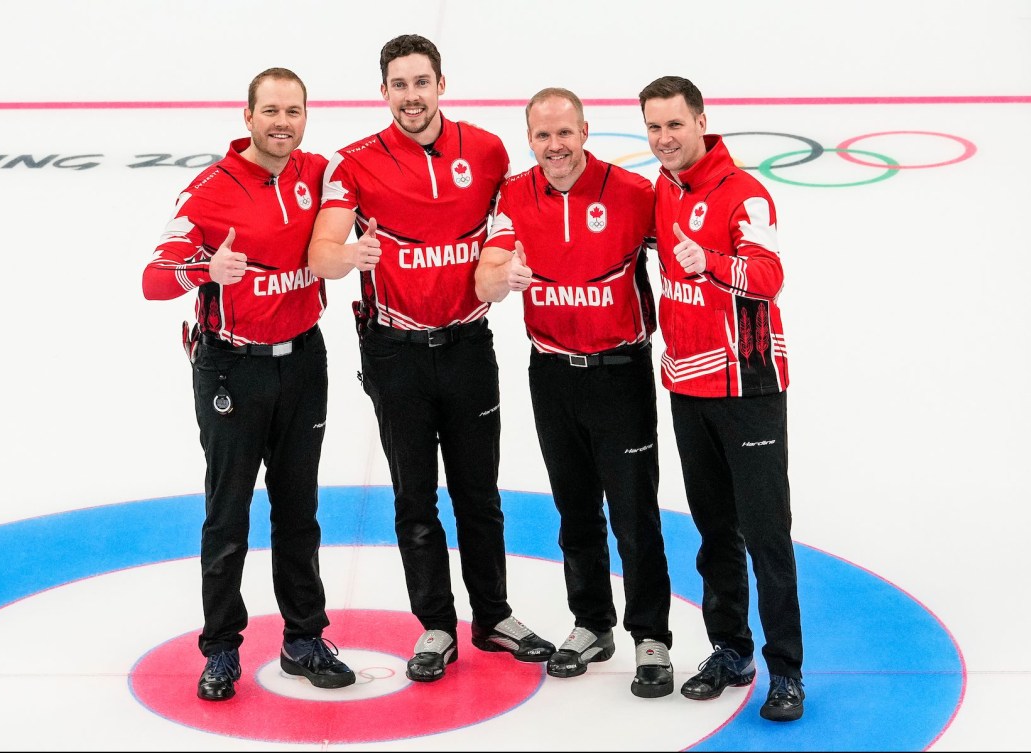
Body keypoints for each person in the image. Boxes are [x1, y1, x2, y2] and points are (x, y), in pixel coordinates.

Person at [308, 33, 554, 682]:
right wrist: (348, 259)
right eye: (398, 84)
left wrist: (507, 273)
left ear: (440, 85)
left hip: (469, 346)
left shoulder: (487, 149)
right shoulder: (354, 163)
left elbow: (505, 234)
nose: (410, 96)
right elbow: (320, 252)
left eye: (421, 82)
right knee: (414, 498)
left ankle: (494, 616)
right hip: (396, 354)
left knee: (480, 493)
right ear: (383, 91)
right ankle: (436, 626)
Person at [142, 67, 355, 701]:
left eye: (294, 111)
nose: (282, 123)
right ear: (248, 117)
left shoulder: (319, 172)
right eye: (271, 112)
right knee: (227, 514)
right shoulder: (210, 189)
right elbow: (153, 278)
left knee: (298, 509)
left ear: (306, 118)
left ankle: (304, 637)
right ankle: (222, 649)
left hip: (304, 362)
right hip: (231, 368)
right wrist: (205, 268)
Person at [474, 88, 673, 698]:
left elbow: (687, 264)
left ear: (585, 131)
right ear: (529, 140)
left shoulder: (636, 195)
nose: (555, 147)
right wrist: (503, 278)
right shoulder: (513, 194)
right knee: (575, 508)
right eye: (542, 137)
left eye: (565, 134)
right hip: (552, 372)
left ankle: (651, 637)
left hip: (620, 373)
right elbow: (484, 277)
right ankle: (591, 624)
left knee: (635, 514)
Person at [638, 75, 805, 721]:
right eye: (652, 126)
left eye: (673, 124)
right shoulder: (661, 186)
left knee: (765, 535)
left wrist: (707, 260)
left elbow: (768, 277)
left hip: (747, 388)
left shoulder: (745, 193)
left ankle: (785, 670)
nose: (663, 139)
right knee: (713, 535)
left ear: (701, 120)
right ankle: (730, 650)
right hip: (687, 386)